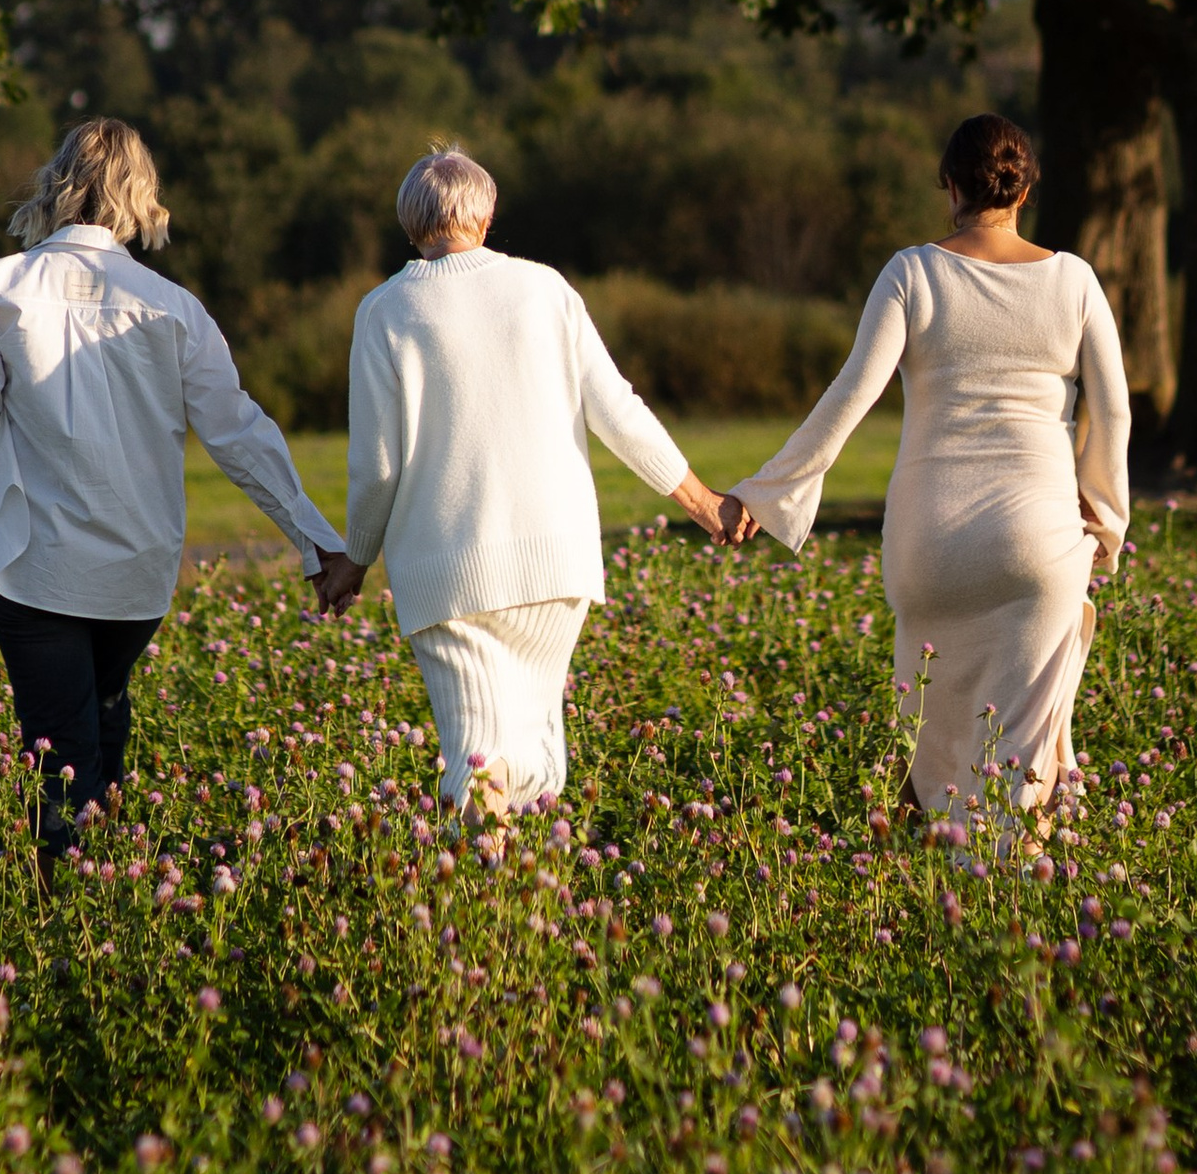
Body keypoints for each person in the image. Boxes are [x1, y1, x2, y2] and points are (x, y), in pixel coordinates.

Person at [0, 118, 353, 853]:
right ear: (140, 196)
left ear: (57, 183)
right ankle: (114, 889)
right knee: (98, 719)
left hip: (36, 564)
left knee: (60, 754)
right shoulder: (174, 309)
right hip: (137, 570)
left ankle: (67, 911)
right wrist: (316, 543)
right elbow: (239, 434)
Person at [330, 142, 756, 819]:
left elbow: (377, 466)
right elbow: (618, 411)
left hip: (450, 574)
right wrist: (703, 502)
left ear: (409, 224)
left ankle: (484, 918)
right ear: (487, 212)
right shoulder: (546, 289)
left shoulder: (385, 311)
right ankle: (521, 909)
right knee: (530, 751)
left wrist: (352, 562)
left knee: (478, 758)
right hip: (557, 567)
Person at [732, 111, 1130, 829]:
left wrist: (766, 493)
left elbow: (851, 396)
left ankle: (932, 899)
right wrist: (1104, 523)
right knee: (1024, 757)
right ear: (1026, 187)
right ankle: (1019, 900)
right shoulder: (1074, 281)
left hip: (930, 545)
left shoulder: (911, 272)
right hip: (1036, 541)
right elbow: (1114, 412)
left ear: (949, 185)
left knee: (934, 743)